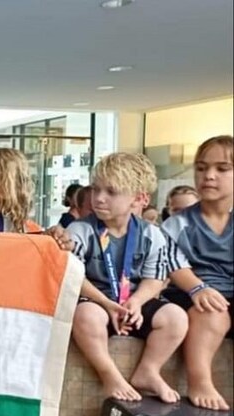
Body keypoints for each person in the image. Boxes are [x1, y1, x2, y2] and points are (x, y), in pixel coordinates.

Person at [67, 152, 188, 403]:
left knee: (176, 317)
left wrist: (136, 302)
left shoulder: (152, 234)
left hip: (133, 303)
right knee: (86, 316)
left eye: (111, 192)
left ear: (138, 198)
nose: (99, 198)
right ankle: (109, 375)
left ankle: (148, 370)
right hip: (96, 301)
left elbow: (154, 278)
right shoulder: (80, 230)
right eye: (96, 189)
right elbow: (72, 277)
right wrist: (107, 303)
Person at [162, 135, 233, 411]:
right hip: (193, 294)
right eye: (202, 168)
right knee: (212, 311)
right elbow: (171, 262)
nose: (209, 176)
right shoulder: (179, 223)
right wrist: (197, 287)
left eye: (222, 169)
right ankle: (199, 381)